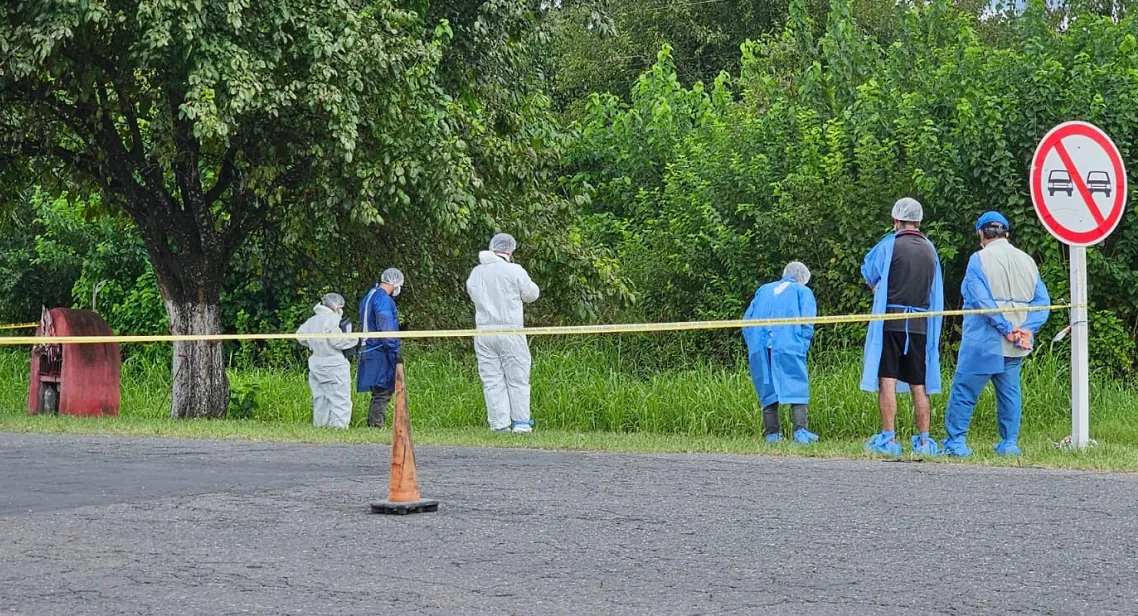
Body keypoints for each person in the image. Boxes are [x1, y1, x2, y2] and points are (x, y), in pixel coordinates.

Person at [942, 212, 1050, 457]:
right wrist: (1027, 328)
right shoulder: (1027, 261)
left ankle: (956, 443)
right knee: (1010, 393)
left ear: (981, 233)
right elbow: (1043, 301)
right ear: (1007, 233)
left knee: (965, 392)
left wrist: (1004, 327)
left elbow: (981, 300)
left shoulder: (979, 259)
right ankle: (1009, 443)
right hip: (1017, 342)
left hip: (984, 339)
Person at [860, 197, 945, 456]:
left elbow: (869, 270)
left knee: (887, 380)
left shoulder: (889, 245)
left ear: (896, 220)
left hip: (892, 322)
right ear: (919, 221)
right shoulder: (931, 249)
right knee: (919, 383)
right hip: (920, 325)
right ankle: (924, 441)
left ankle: (890, 439)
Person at [466, 233, 540, 433]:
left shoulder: (476, 273)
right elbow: (531, 294)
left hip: (483, 332)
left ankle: (499, 425)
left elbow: (473, 295)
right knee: (517, 377)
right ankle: (522, 423)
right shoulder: (514, 270)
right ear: (511, 249)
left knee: (491, 379)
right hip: (510, 330)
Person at [742, 262, 820, 445]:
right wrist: (802, 345)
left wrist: (753, 344)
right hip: (789, 344)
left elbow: (747, 320)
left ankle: (772, 435)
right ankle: (801, 432)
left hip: (760, 347)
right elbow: (807, 321)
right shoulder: (802, 292)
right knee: (797, 386)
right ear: (803, 278)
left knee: (767, 388)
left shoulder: (764, 290)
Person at [297, 293, 359, 429]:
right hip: (334, 363)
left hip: (316, 362)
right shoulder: (332, 319)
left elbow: (300, 337)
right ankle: (339, 428)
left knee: (320, 398)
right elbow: (337, 341)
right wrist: (354, 338)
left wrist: (315, 344)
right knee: (340, 398)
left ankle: (320, 426)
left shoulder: (312, 320)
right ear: (336, 307)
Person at [357, 268, 404, 428]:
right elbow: (386, 327)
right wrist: (395, 349)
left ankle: (374, 424)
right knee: (382, 391)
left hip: (368, 349)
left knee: (378, 391)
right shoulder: (383, 299)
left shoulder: (370, 296)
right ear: (395, 282)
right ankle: (376, 426)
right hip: (378, 350)